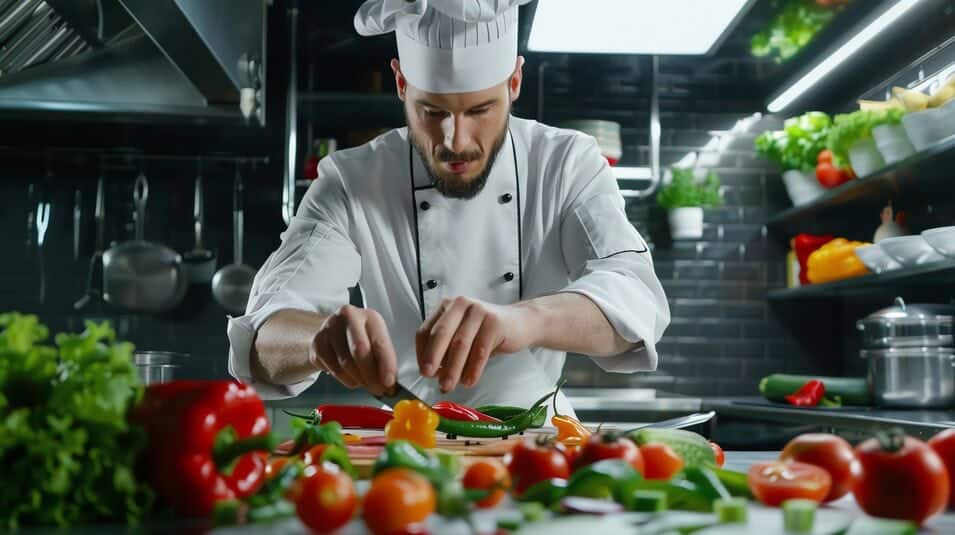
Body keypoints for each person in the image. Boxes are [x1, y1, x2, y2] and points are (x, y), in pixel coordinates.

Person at [227, 0, 670, 416]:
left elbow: (635, 299)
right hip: (408, 445)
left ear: (514, 83)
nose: (455, 140)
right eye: (431, 111)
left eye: (480, 110)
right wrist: (317, 341)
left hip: (539, 445)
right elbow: (262, 338)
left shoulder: (566, 164)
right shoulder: (353, 180)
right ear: (401, 83)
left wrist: (523, 320)